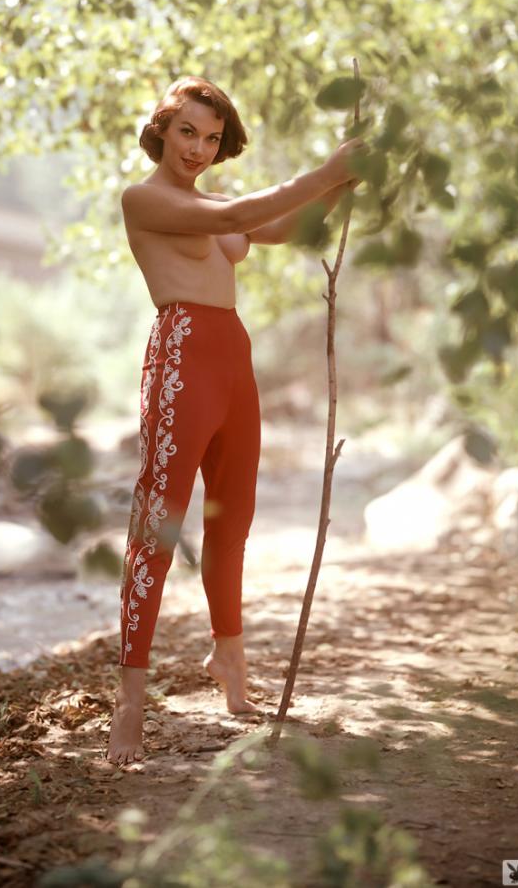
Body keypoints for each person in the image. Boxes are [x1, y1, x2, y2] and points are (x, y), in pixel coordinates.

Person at [106, 75, 365, 765]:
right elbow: (240, 216)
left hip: (232, 360)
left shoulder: (210, 203)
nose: (198, 148)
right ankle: (130, 700)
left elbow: (276, 226)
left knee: (233, 518)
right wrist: (326, 171)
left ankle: (230, 660)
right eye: (187, 131)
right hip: (182, 356)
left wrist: (344, 182)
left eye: (212, 137)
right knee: (158, 524)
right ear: (162, 130)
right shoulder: (144, 199)